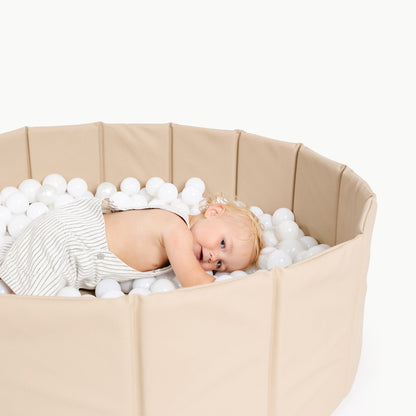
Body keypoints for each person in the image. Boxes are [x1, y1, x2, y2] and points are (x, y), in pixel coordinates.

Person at [0, 194, 263, 296]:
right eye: (222, 243)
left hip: (72, 251)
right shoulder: (177, 231)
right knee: (30, 314)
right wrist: (248, 291)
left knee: (13, 262)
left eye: (220, 265)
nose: (213, 257)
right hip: (65, 242)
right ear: (213, 212)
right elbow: (195, 281)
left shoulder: (183, 233)